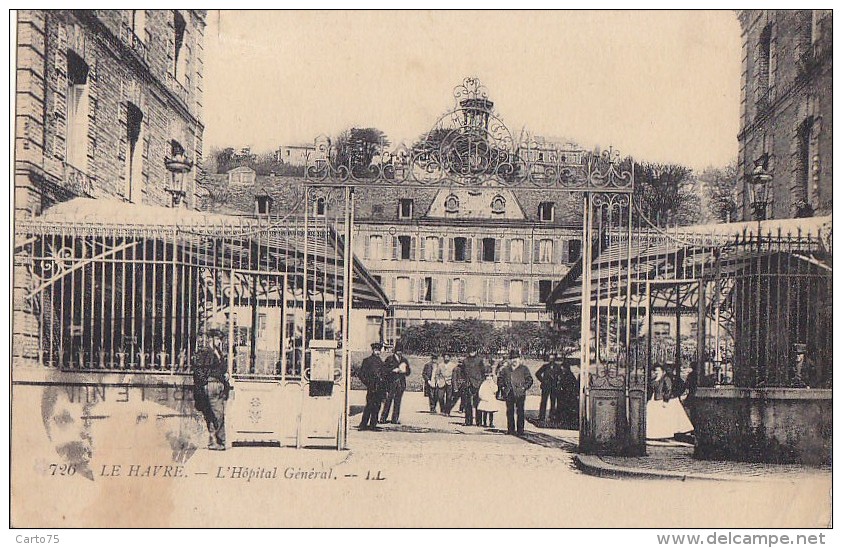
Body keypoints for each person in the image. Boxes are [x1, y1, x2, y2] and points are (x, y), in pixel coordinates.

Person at [192, 326, 232, 450]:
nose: (220, 341)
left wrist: (225, 374)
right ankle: (220, 441)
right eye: (218, 339)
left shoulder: (218, 352)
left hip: (218, 385)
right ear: (211, 339)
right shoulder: (206, 351)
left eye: (220, 339)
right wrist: (204, 384)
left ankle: (213, 441)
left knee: (213, 414)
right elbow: (198, 370)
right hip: (211, 385)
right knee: (218, 414)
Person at [646, 364, 693, 440]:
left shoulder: (666, 379)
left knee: (666, 418)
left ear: (663, 371)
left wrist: (665, 400)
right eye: (655, 370)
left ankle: (664, 433)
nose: (656, 372)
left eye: (658, 370)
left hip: (663, 400)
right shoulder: (654, 379)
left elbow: (668, 389)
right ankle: (655, 433)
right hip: (655, 399)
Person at [496, 349, 533, 435]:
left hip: (520, 393)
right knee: (510, 411)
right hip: (509, 392)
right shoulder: (505, 369)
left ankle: (520, 430)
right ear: (510, 360)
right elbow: (500, 379)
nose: (514, 360)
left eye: (516, 358)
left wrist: (524, 387)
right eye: (512, 358)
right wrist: (503, 387)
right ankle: (511, 430)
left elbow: (530, 380)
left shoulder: (524, 369)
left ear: (519, 359)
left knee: (520, 411)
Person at [357, 342, 387, 430]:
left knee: (377, 406)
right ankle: (363, 424)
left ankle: (373, 424)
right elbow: (361, 374)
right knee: (369, 405)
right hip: (371, 387)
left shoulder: (381, 362)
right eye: (376, 350)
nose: (378, 352)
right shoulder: (367, 361)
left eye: (379, 350)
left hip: (380, 387)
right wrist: (368, 383)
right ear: (373, 350)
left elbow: (384, 374)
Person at [381, 343, 411, 424]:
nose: (399, 352)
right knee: (388, 401)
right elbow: (384, 370)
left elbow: (408, 372)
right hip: (391, 383)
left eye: (401, 351)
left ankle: (395, 419)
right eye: (398, 351)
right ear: (395, 351)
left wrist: (405, 371)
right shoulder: (389, 359)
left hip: (401, 384)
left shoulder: (404, 360)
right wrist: (392, 370)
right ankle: (383, 418)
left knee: (397, 402)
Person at [461, 347, 485, 426]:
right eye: (470, 351)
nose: (472, 352)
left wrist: (481, 383)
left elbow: (483, 373)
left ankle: (479, 422)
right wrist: (464, 382)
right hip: (467, 384)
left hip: (477, 384)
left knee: (478, 403)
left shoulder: (479, 360)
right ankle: (468, 421)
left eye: (473, 350)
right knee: (467, 403)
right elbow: (462, 373)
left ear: (476, 351)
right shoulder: (465, 361)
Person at [535, 352, 561, 422]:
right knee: (543, 401)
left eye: (553, 358)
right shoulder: (545, 366)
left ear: (555, 359)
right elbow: (537, 373)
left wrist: (558, 382)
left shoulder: (558, 367)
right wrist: (543, 380)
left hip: (554, 387)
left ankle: (552, 416)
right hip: (546, 386)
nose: (551, 360)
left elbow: (561, 376)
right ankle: (541, 416)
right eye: (550, 358)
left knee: (553, 402)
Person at [555, 358, 579, 427]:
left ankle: (566, 421)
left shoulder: (569, 376)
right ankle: (562, 420)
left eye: (563, 368)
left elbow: (572, 386)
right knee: (562, 408)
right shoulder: (563, 375)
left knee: (566, 408)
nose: (562, 369)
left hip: (567, 395)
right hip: (562, 395)